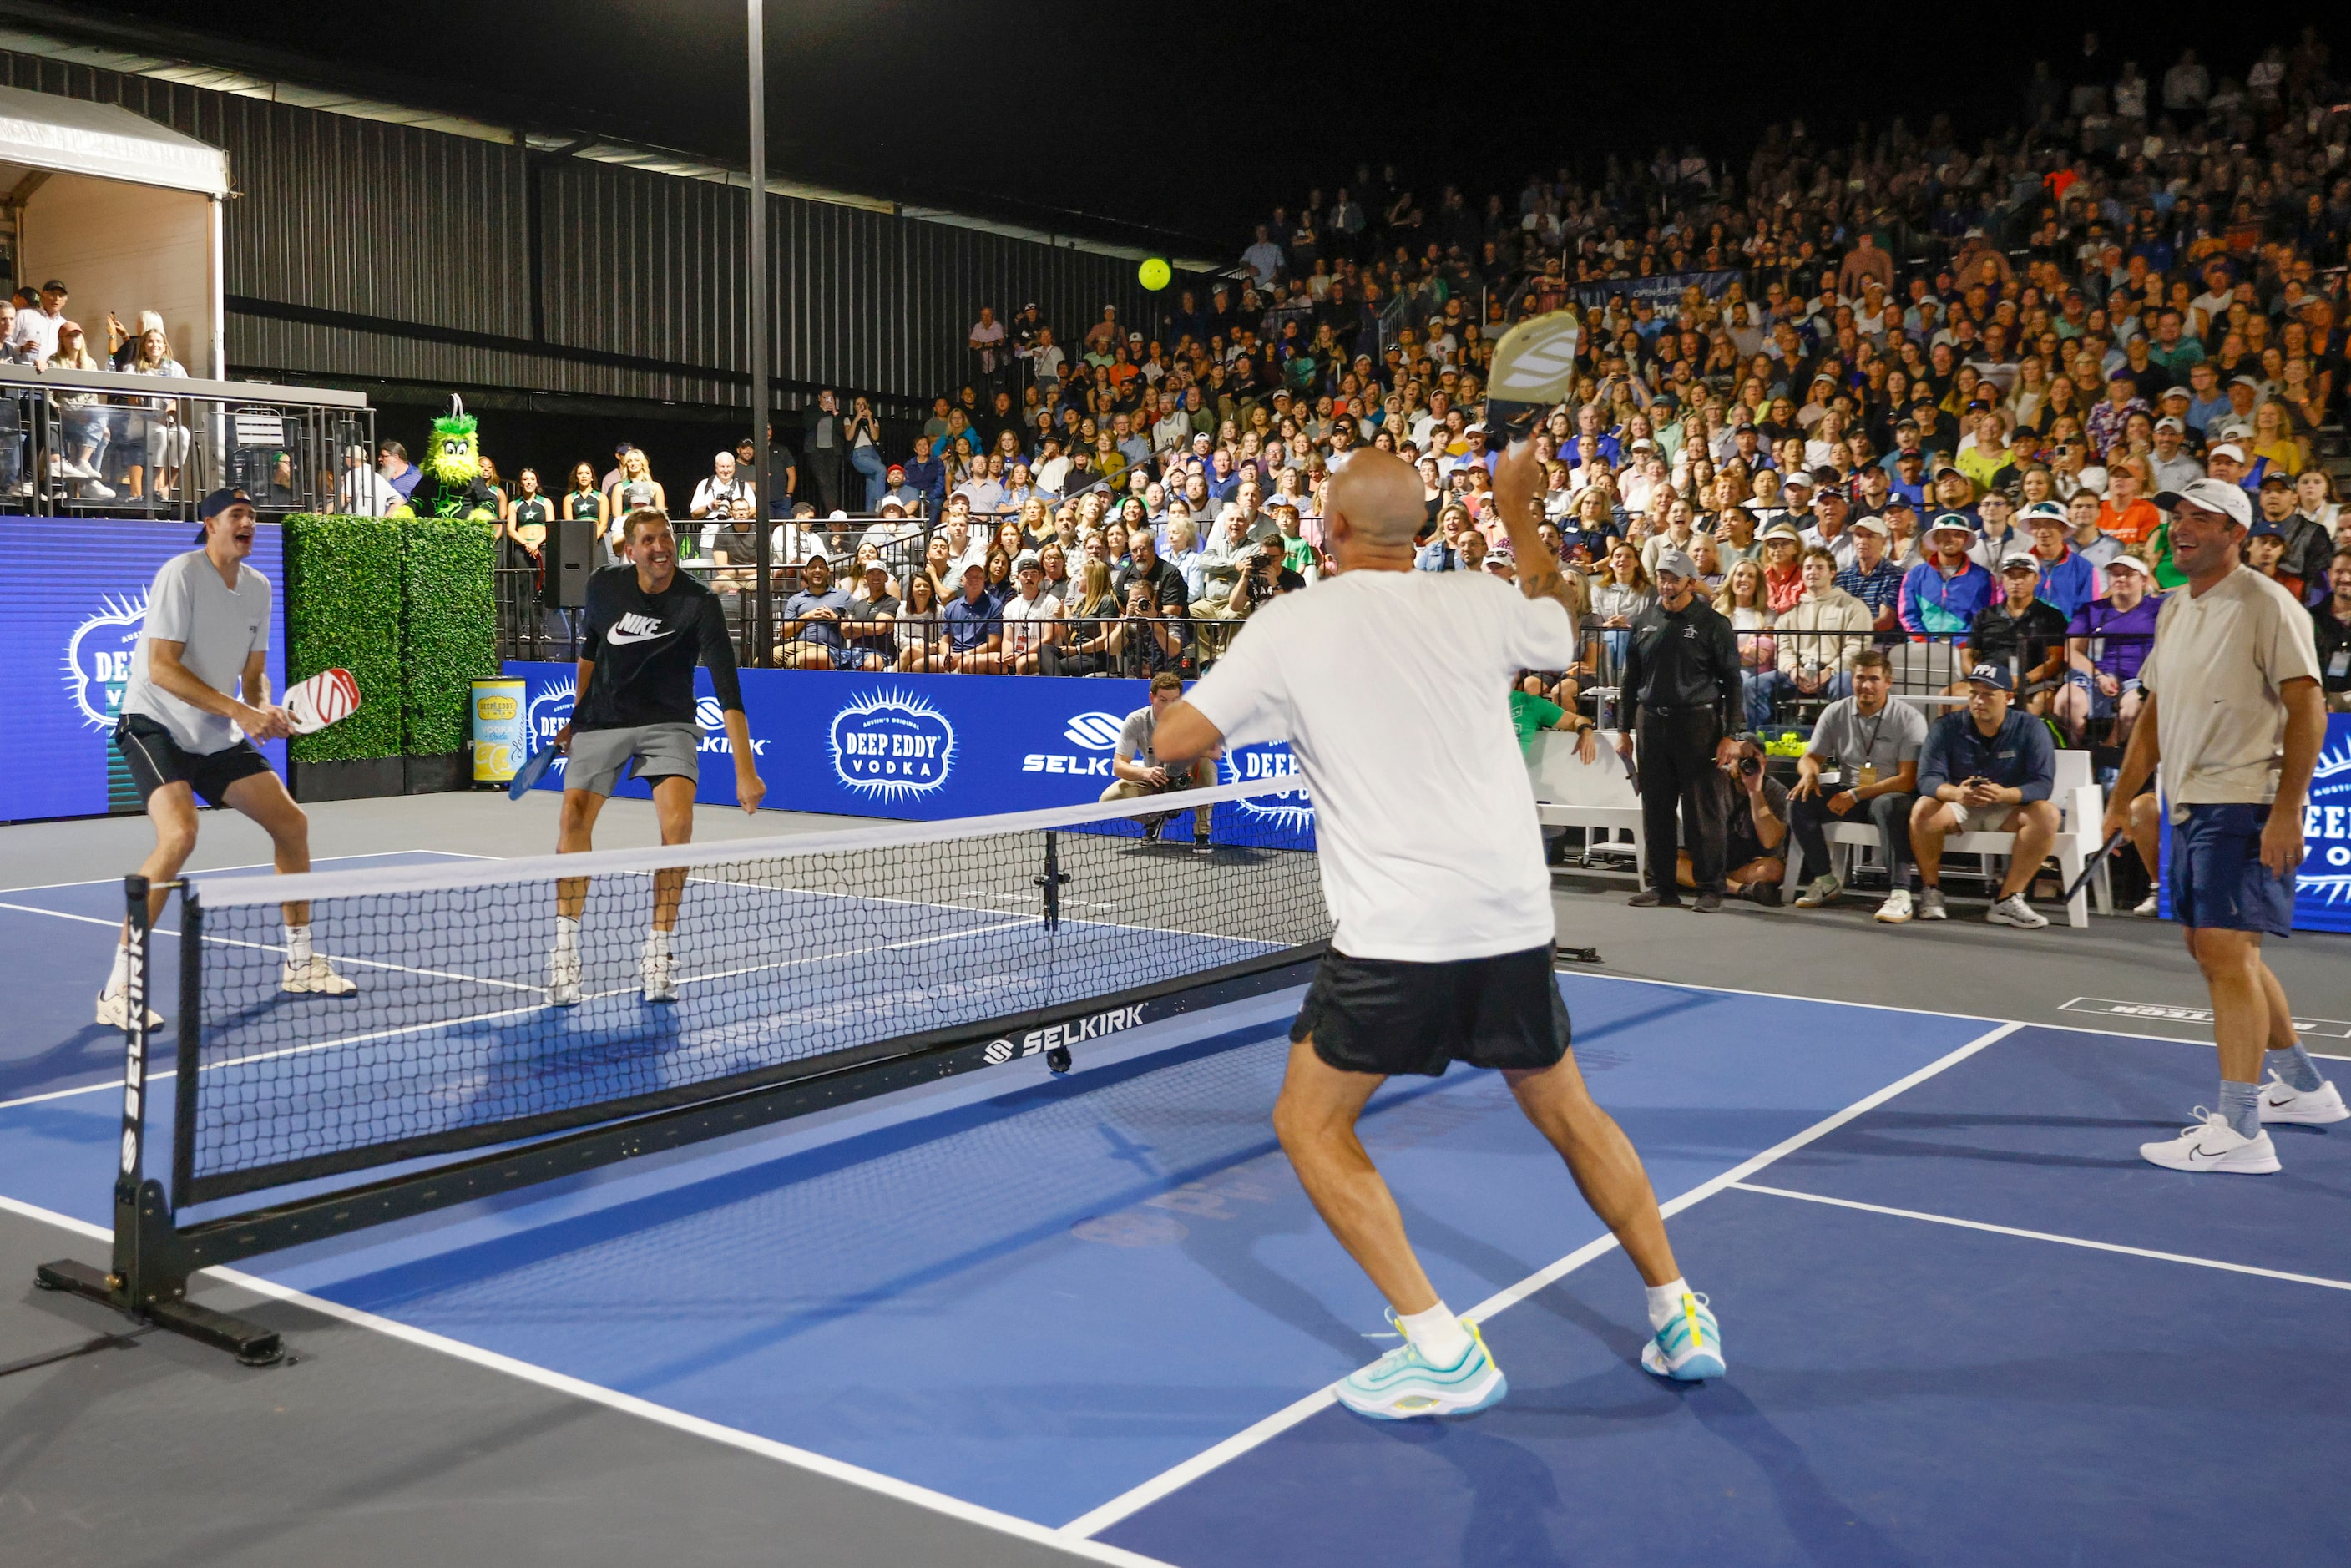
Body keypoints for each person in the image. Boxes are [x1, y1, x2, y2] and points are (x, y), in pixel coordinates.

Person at [1148, 438, 1721, 1423]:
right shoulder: (1482, 600)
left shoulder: (1289, 625)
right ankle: (1676, 1313)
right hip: (1508, 919)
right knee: (1566, 1112)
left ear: (1327, 530)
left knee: (1307, 1122)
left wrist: (1153, 724)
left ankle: (1440, 1348)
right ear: (1418, 530)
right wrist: (1516, 508)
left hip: (1394, 934)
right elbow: (1560, 618)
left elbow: (1174, 745)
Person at [2105, 478, 2338, 1175]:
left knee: (2224, 954)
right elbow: (2152, 712)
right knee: (2216, 951)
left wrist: (2287, 808)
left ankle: (2240, 1129)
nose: (2182, 529)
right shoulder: (2175, 606)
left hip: (2243, 799)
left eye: (2201, 520)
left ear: (2236, 533)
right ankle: (2302, 1087)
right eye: (2177, 517)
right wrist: (2123, 798)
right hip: (2189, 800)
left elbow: (2308, 708)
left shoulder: (2269, 604)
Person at [548, 509, 766, 1004]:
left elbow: (728, 692)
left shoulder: (700, 602)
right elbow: (589, 654)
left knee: (678, 831)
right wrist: (578, 717)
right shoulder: (604, 587)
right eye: (649, 540)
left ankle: (659, 950)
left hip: (669, 721)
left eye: (666, 537)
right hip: (605, 717)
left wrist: (745, 772)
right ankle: (564, 953)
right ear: (631, 550)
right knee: (572, 818)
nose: (660, 546)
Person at [1617, 547, 1743, 910]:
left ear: (1691, 581)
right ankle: (1661, 886)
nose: (1666, 584)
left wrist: (1731, 734)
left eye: (1674, 577)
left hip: (1698, 724)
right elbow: (1631, 680)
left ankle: (1709, 888)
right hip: (1651, 722)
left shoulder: (1713, 624)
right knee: (1655, 808)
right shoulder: (1643, 622)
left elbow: (1733, 681)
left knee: (1701, 809)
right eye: (1661, 576)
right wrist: (1624, 729)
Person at [1904, 662, 2060, 928]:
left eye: (1988, 694)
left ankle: (2008, 898)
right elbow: (1927, 779)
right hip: (1959, 805)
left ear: (2008, 698)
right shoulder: (1946, 726)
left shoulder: (2031, 727)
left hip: (2007, 806)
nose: (1979, 700)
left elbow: (2042, 785)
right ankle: (1931, 890)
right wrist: (1956, 793)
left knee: (2048, 814)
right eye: (1974, 693)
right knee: (1922, 808)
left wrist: (2006, 794)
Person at [1787, 648, 1929, 918]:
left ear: (1888, 682)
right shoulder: (1835, 712)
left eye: (1874, 679)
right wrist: (1809, 774)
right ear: (1851, 680)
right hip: (1848, 792)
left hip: (1890, 793)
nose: (1866, 685)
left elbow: (1908, 780)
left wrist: (1855, 795)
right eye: (1860, 678)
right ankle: (1826, 880)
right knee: (1799, 799)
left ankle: (1900, 894)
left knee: (1888, 806)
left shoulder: (1910, 719)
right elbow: (1810, 757)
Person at [1100, 672, 1216, 850]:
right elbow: (1118, 766)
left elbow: (1217, 753)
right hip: (1155, 778)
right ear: (1152, 698)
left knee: (1208, 766)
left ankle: (1202, 834)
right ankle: (1154, 819)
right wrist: (1145, 772)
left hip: (1188, 778)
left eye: (1175, 700)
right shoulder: (1136, 720)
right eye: (1163, 700)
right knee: (1109, 799)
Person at [1676, 732, 1789, 903]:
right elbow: (1689, 842)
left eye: (1753, 760)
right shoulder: (1712, 784)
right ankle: (1739, 889)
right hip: (1708, 860)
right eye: (1742, 759)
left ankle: (1715, 882)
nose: (1746, 766)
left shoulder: (1776, 791)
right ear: (1730, 760)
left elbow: (1770, 841)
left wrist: (1755, 791)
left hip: (1745, 865)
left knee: (1773, 870)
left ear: (1764, 762)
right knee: (1670, 861)